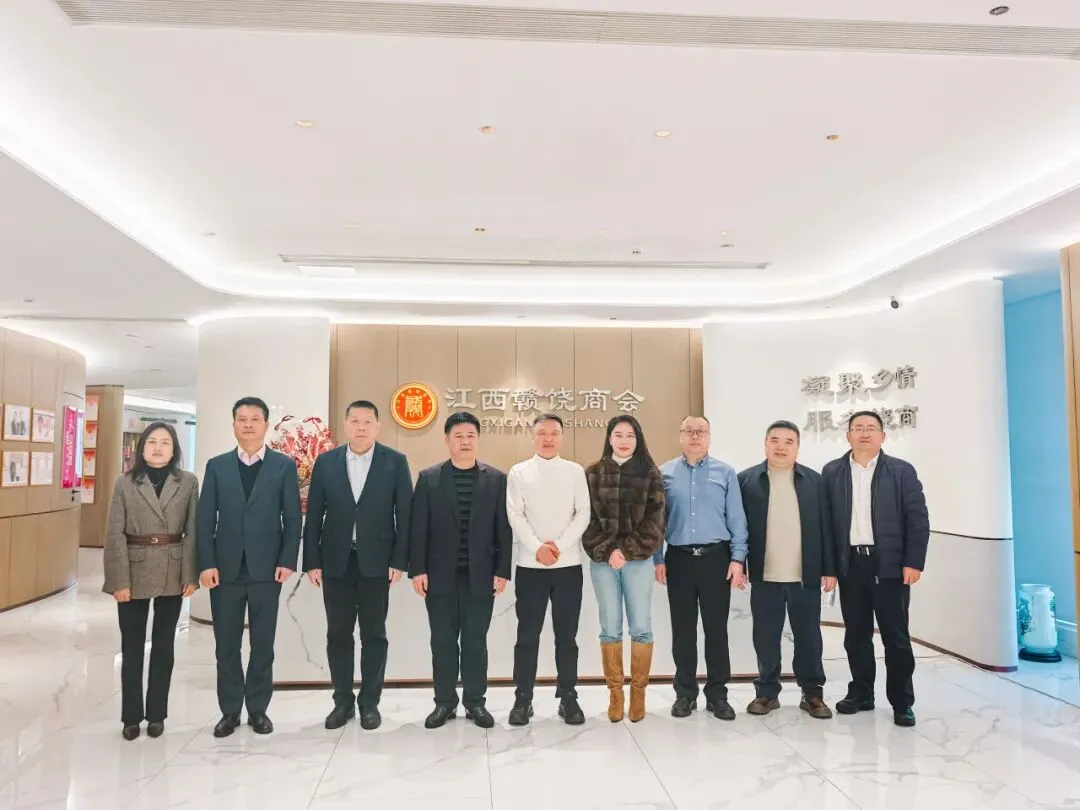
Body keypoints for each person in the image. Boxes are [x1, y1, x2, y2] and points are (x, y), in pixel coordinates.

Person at [303, 400, 413, 731]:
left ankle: (369, 703)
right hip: (335, 560)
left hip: (377, 562)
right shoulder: (326, 462)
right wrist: (312, 561)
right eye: (355, 421)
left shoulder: (395, 462)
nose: (361, 427)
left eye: (367, 422)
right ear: (346, 425)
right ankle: (342, 701)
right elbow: (314, 514)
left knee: (374, 634)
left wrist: (399, 560)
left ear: (378, 427)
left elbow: (405, 515)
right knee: (338, 634)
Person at [197, 396, 302, 738]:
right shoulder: (217, 466)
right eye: (241, 419)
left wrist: (287, 560)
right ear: (233, 425)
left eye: (255, 419)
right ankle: (229, 711)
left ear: (266, 425)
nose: (248, 425)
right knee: (226, 645)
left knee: (263, 644)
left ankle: (258, 709)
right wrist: (206, 563)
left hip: (267, 570)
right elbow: (204, 519)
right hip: (224, 570)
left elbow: (292, 518)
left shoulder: (283, 466)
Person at [822, 410, 929, 727]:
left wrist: (913, 562)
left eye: (871, 428)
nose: (865, 433)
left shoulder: (901, 471)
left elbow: (918, 520)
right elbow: (825, 525)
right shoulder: (832, 472)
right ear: (848, 436)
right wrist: (829, 567)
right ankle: (862, 693)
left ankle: (902, 702)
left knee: (896, 638)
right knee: (856, 635)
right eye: (858, 428)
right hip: (850, 565)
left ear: (883, 435)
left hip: (890, 566)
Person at [408, 411, 512, 729]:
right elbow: (418, 529)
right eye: (458, 436)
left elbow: (503, 529)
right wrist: (418, 570)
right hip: (439, 577)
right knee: (442, 640)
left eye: (470, 436)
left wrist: (502, 570)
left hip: (481, 576)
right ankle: (444, 703)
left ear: (477, 439)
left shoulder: (496, 479)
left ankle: (475, 702)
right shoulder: (429, 478)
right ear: (447, 440)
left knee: (475, 641)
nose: (465, 442)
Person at [103, 422, 199, 740]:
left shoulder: (187, 482)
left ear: (174, 449)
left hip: (172, 568)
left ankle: (157, 714)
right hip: (133, 568)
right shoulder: (125, 482)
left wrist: (190, 575)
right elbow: (114, 534)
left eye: (165, 442)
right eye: (152, 442)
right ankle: (131, 717)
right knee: (131, 647)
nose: (158, 448)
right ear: (142, 448)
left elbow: (193, 532)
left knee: (164, 645)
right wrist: (118, 581)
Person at [737, 420, 836, 719]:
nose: (781, 447)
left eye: (788, 441)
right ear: (765, 444)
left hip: (805, 576)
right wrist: (738, 564)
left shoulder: (816, 482)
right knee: (765, 638)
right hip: (764, 576)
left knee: (809, 638)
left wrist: (829, 569)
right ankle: (767, 693)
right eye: (775, 440)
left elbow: (828, 528)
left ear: (798, 447)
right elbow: (736, 528)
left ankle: (812, 693)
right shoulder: (746, 481)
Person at [655, 415, 748, 721]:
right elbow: (656, 521)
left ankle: (718, 694)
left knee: (716, 629)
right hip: (679, 559)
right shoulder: (664, 473)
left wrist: (738, 559)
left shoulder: (725, 472)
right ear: (680, 436)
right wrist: (658, 558)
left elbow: (737, 519)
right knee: (683, 630)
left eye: (701, 431)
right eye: (689, 431)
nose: (695, 436)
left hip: (716, 559)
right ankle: (685, 694)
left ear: (709, 436)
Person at [505, 412, 590, 726]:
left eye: (554, 433)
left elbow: (583, 513)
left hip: (568, 566)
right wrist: (537, 547)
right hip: (530, 566)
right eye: (542, 433)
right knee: (527, 635)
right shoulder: (519, 472)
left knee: (567, 636)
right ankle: (523, 698)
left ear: (562, 437)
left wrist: (559, 546)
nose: (548, 439)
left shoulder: (575, 471)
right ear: (533, 437)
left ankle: (568, 697)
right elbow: (515, 515)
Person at [582, 415, 665, 723]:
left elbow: (656, 521)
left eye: (630, 435)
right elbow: (586, 519)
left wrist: (627, 551)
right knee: (610, 627)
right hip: (603, 562)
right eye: (618, 434)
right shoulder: (593, 473)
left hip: (638, 561)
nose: (624, 440)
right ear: (609, 438)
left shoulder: (650, 473)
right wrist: (608, 551)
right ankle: (615, 694)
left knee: (641, 626)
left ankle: (638, 694)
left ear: (638, 439)